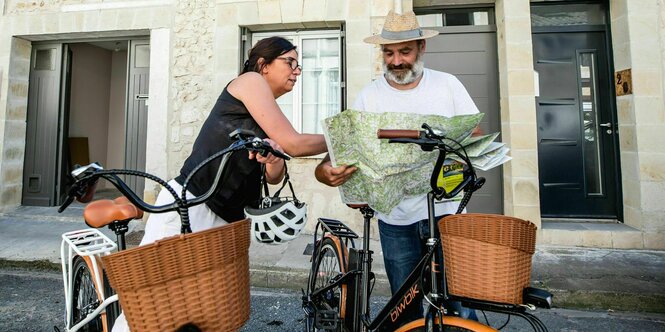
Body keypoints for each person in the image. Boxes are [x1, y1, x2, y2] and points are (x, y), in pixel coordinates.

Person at [112, 36, 328, 332]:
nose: (297, 70)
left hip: (227, 219)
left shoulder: (266, 111)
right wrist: (343, 140)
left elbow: (274, 175)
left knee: (206, 315)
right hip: (190, 204)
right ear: (263, 65)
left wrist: (272, 159)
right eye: (289, 61)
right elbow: (294, 143)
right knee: (150, 312)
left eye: (298, 64)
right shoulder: (250, 82)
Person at [315, 10, 480, 323]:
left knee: (460, 305)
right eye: (388, 53)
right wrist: (326, 172)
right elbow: (342, 151)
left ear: (421, 48)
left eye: (405, 51)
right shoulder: (370, 96)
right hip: (396, 219)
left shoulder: (448, 86)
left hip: (447, 212)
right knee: (405, 308)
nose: (396, 61)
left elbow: (473, 138)